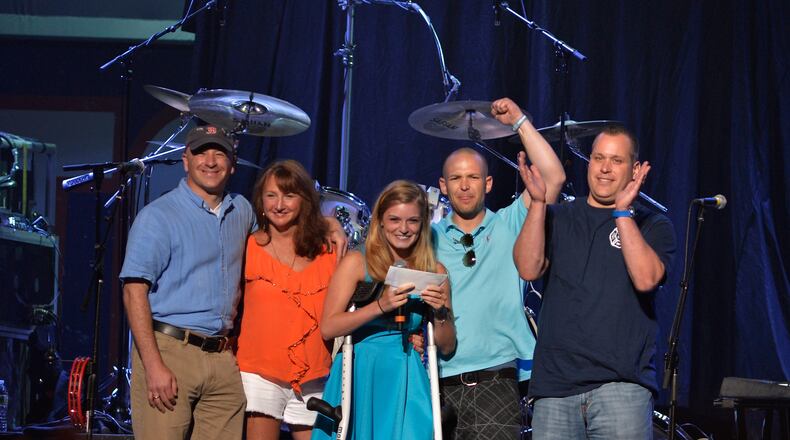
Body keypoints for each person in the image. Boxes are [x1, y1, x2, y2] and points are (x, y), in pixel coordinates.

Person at [514, 125, 676, 438]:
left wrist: (622, 213)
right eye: (598, 158)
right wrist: (538, 204)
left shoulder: (653, 224)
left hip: (622, 389)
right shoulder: (559, 216)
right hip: (555, 388)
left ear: (635, 170)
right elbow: (527, 268)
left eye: (616, 160)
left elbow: (646, 279)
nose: (604, 168)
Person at [433, 97, 566, 439]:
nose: (465, 186)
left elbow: (553, 176)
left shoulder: (510, 223)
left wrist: (519, 121)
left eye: (473, 177)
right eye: (456, 178)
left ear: (488, 183)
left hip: (497, 378)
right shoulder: (428, 237)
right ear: (443, 186)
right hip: (437, 378)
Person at [121, 125, 255, 439]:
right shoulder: (158, 216)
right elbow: (133, 292)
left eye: (219, 153)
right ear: (186, 160)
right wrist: (153, 365)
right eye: (201, 152)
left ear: (232, 165)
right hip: (170, 350)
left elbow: (279, 241)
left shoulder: (242, 210)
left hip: (221, 357)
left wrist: (328, 225)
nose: (210, 161)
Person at [312, 180, 457, 440]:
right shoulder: (357, 262)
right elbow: (329, 327)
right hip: (361, 369)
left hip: (406, 371)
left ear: (423, 223)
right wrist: (380, 306)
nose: (404, 228)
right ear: (379, 221)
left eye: (413, 221)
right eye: (394, 219)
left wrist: (439, 313)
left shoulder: (434, 271)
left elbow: (447, 346)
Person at [235, 160, 339, 440]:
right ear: (261, 200)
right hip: (259, 372)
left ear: (304, 200)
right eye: (271, 195)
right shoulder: (248, 246)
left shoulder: (329, 250)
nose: (279, 205)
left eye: (289, 195)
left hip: (314, 375)